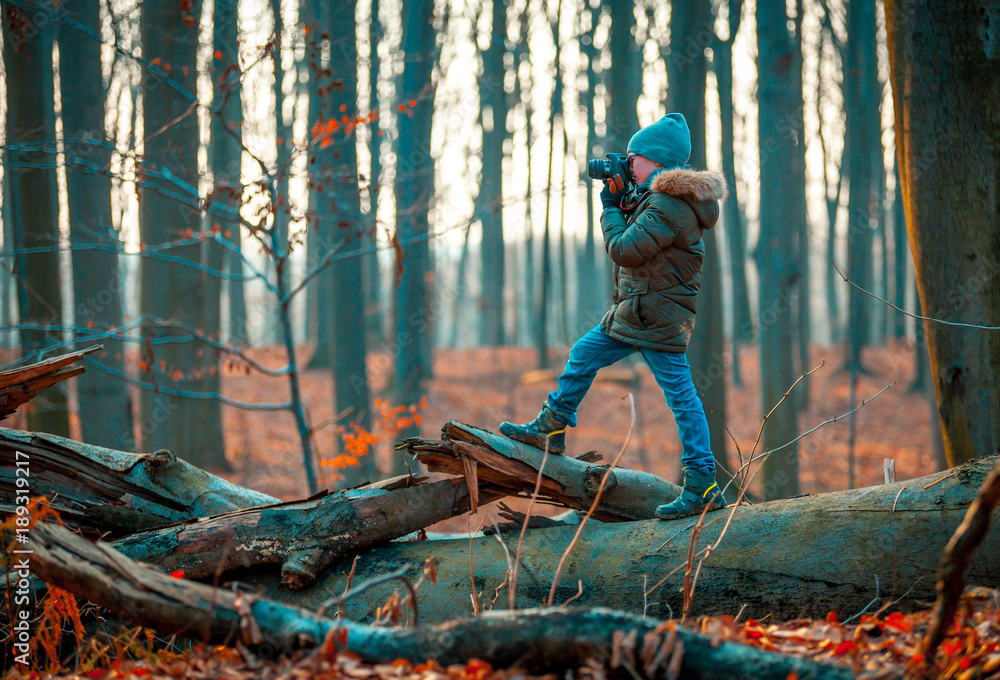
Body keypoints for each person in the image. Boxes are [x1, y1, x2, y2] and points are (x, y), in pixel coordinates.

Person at [500, 112, 728, 520]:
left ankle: (703, 484)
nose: (626, 163)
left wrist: (608, 207)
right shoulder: (661, 200)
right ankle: (551, 428)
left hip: (656, 316)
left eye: (632, 157)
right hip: (640, 310)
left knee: (682, 397)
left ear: (656, 164)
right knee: (584, 354)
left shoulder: (669, 205)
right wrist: (624, 198)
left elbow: (624, 249)